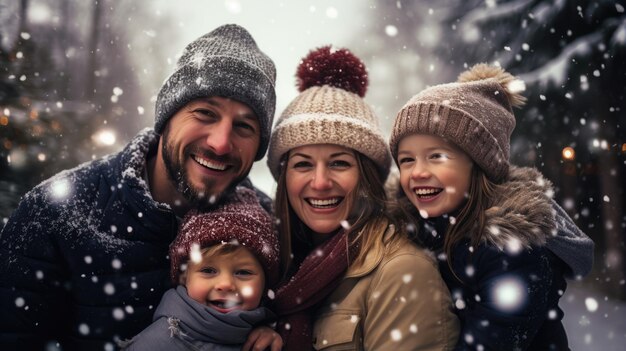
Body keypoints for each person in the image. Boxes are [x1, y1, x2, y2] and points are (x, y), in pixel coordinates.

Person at [0, 24, 281, 350]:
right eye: (205, 113)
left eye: (244, 126)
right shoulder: (54, 213)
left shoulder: (272, 227)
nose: (220, 143)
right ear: (167, 118)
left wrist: (277, 330)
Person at [388, 63, 595, 350]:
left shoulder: (512, 251)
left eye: (436, 156)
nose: (418, 172)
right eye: (407, 159)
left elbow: (490, 340)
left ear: (479, 165)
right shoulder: (417, 227)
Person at [267, 46, 460, 350]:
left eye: (339, 163)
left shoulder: (401, 272)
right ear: (284, 178)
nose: (319, 182)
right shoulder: (269, 267)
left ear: (367, 176)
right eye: (302, 164)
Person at [119, 187, 280, 350]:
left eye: (243, 272)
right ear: (184, 276)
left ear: (265, 283)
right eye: (208, 271)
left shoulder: (268, 340)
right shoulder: (156, 345)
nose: (225, 284)